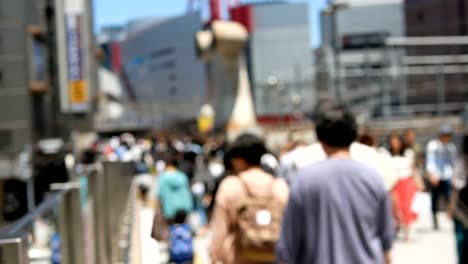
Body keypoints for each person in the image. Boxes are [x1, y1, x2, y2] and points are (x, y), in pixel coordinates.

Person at [277, 106, 394, 264]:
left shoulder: (305, 180)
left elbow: (288, 244)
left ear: (321, 139)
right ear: (354, 135)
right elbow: (385, 240)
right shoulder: (373, 178)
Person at [210, 134, 289, 264]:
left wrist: (215, 256)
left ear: (239, 158)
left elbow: (220, 230)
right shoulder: (280, 186)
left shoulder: (230, 185)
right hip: (273, 257)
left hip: (238, 258)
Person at [384, 132, 418, 242]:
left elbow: (413, 169)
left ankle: (407, 233)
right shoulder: (386, 154)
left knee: (406, 207)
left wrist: (417, 182)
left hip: (406, 182)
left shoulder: (408, 153)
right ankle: (396, 228)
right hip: (393, 183)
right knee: (394, 208)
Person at [426, 125, 458, 230]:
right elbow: (430, 161)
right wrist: (432, 175)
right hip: (436, 175)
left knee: (449, 196)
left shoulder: (451, 147)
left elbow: (453, 163)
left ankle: (450, 215)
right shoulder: (432, 145)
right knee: (435, 198)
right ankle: (435, 219)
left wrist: (454, 176)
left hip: (447, 175)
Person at [157, 152, 194, 225]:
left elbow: (160, 194)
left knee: (171, 230)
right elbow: (187, 192)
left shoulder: (163, 177)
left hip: (169, 209)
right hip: (183, 208)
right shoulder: (182, 176)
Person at [448, 134, 468, 264]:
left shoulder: (460, 162)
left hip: (460, 208)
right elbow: (456, 188)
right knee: (461, 243)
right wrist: (451, 207)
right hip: (461, 208)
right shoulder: (460, 163)